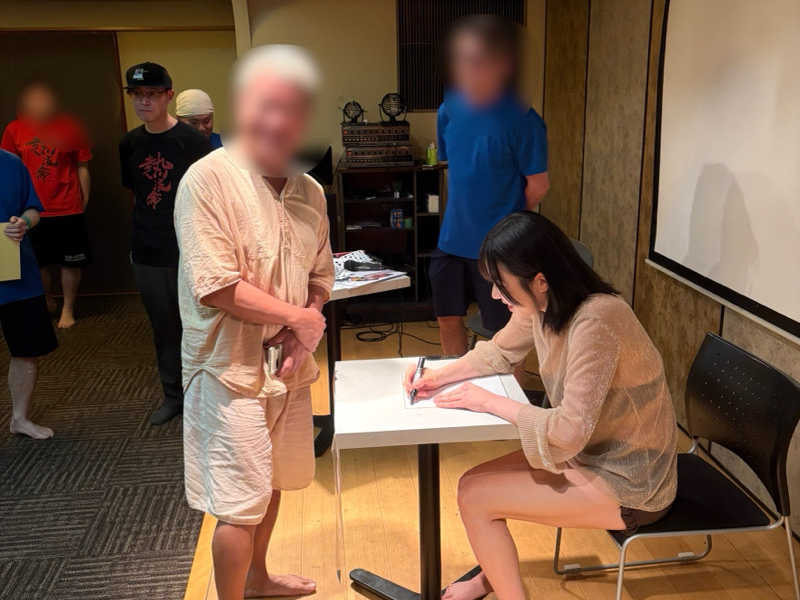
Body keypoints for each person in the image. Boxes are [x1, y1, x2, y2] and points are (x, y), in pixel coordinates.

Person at [406, 212, 678, 600]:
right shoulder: (542, 306)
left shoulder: (597, 320)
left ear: (540, 281)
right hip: (588, 453)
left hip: (633, 483)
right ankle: (493, 575)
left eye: (502, 286)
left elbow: (567, 432)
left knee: (477, 498)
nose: (495, 296)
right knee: (470, 485)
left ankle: (500, 585)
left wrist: (490, 402)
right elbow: (499, 352)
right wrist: (437, 376)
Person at [175, 45, 333, 600]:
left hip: (288, 364)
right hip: (228, 370)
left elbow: (321, 272)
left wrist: (303, 326)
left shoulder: (310, 189)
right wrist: (300, 320)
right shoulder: (207, 181)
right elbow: (216, 284)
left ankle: (258, 579)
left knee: (273, 482)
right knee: (239, 503)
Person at [432, 15, 549, 356]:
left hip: (500, 251)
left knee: (505, 333)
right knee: (447, 318)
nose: (467, 70)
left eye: (478, 61)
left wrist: (504, 226)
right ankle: (452, 380)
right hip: (451, 242)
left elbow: (538, 185)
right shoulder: (448, 111)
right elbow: (456, 168)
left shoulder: (525, 121)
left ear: (503, 65)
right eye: (461, 60)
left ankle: (508, 390)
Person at [119, 62, 211, 425]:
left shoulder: (193, 142)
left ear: (168, 95)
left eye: (152, 94)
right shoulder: (129, 143)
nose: (144, 101)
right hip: (147, 248)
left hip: (190, 248)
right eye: (137, 95)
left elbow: (210, 197)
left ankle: (204, 397)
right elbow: (135, 194)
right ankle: (173, 396)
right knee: (163, 328)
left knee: (199, 326)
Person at [1, 82, 92, 329]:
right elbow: (9, 170)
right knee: (38, 262)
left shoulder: (69, 127)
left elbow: (82, 166)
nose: (39, 104)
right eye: (34, 99)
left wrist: (84, 200)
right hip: (30, 208)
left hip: (67, 206)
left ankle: (68, 308)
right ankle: (48, 300)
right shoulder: (14, 129)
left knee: (70, 262)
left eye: (44, 98)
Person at [0, 150, 59, 439]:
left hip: (15, 267)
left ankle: (20, 419)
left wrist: (24, 221)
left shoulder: (12, 164)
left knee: (27, 349)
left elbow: (33, 209)